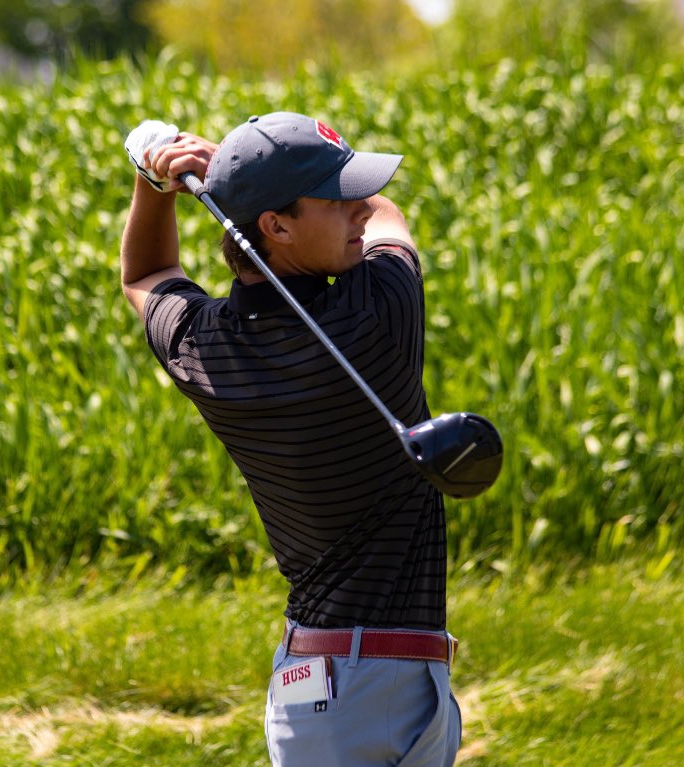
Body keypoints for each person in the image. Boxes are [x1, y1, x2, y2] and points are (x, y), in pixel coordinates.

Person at [121, 111, 462, 767]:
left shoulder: (204, 346)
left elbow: (146, 274)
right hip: (372, 692)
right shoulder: (378, 315)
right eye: (333, 198)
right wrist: (231, 167)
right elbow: (387, 212)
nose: (355, 210)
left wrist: (154, 182)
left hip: (330, 693)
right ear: (275, 228)